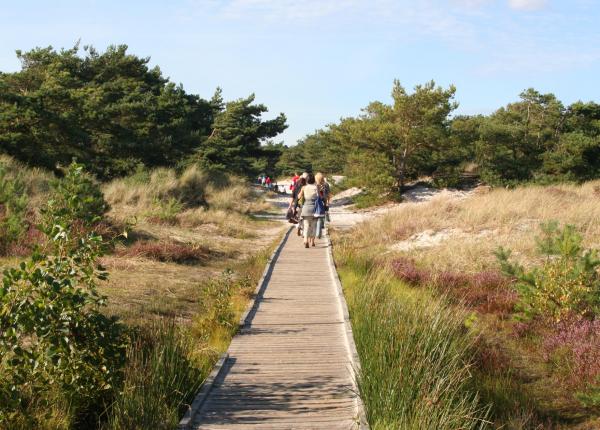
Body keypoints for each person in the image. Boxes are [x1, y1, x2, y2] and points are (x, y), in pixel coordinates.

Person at [297, 173, 319, 248]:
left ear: (307, 180)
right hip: (315, 208)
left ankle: (305, 240)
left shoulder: (304, 187)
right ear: (314, 180)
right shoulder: (316, 187)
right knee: (313, 226)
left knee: (306, 225)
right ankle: (312, 241)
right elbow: (319, 197)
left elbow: (299, 196)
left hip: (306, 207)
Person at [314, 172, 331, 239]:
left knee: (316, 218)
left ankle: (317, 232)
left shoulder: (314, 185)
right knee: (321, 218)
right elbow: (329, 194)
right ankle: (319, 232)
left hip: (316, 202)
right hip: (323, 201)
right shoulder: (326, 184)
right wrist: (328, 202)